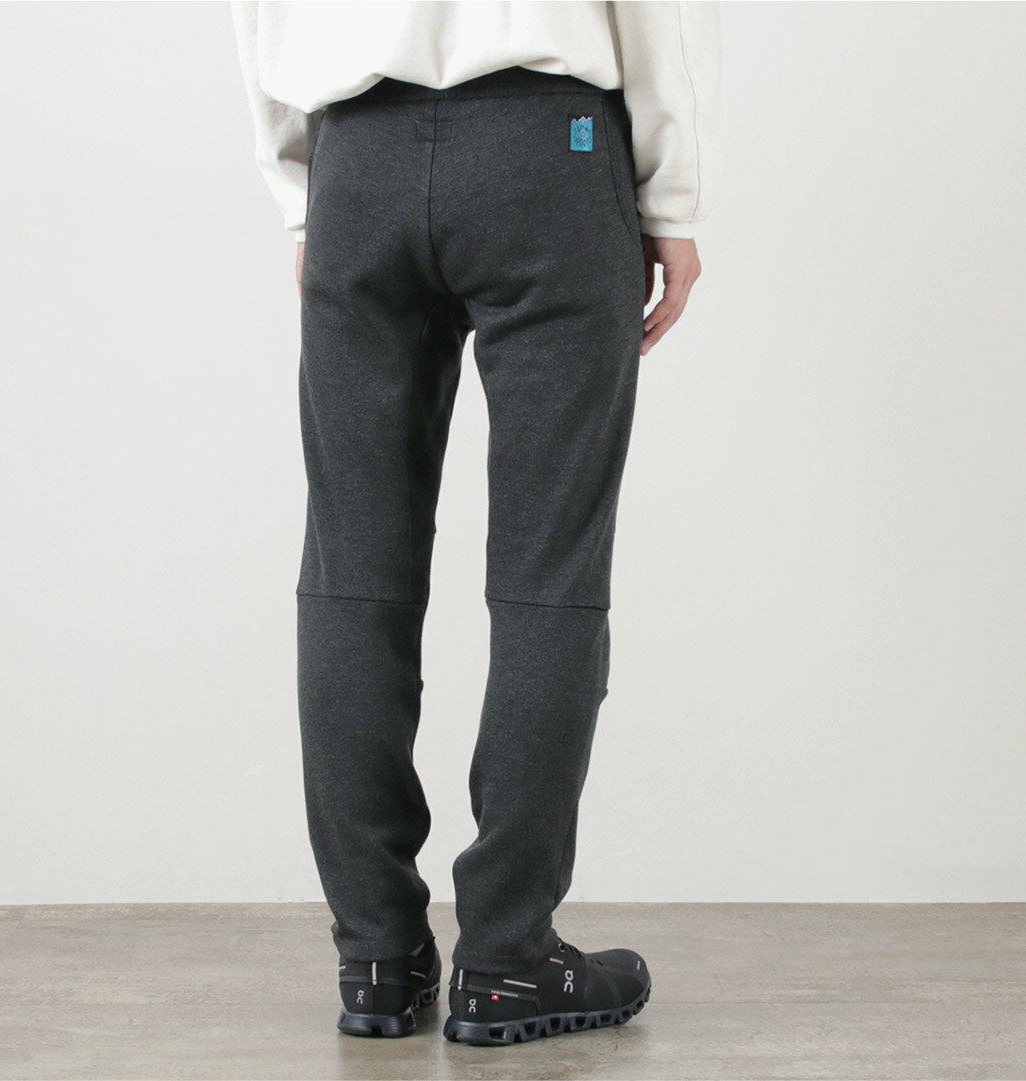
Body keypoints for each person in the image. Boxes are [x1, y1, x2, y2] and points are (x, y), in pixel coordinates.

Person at [231, 0, 722, 1047]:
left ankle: (376, 956)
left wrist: (304, 199)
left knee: (353, 569)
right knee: (550, 567)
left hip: (357, 158)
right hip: (548, 152)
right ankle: (505, 959)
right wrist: (671, 198)